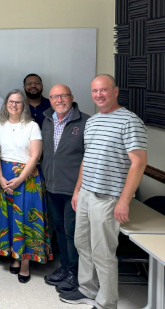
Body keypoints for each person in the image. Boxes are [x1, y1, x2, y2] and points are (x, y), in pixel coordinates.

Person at [60, 75, 147, 309]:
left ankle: (107, 302)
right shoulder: (93, 121)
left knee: (103, 252)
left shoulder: (130, 121)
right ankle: (88, 289)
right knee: (82, 244)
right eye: (95, 91)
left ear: (115, 91)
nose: (99, 95)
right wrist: (78, 190)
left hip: (108, 198)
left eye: (104, 90)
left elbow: (139, 163)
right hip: (87, 194)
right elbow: (86, 160)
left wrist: (124, 200)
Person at [0, 89, 52, 284]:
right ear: (6, 104)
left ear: (23, 105)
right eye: (11, 101)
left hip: (27, 178)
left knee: (25, 219)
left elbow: (35, 156)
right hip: (4, 177)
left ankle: (25, 263)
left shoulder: (32, 126)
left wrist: (19, 179)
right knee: (9, 219)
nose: (14, 105)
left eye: (18, 102)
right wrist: (0, 177)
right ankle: (14, 257)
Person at [41, 84, 89, 293]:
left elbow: (88, 158)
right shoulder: (47, 120)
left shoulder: (86, 122)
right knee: (59, 229)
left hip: (73, 189)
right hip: (52, 187)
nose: (59, 100)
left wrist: (78, 189)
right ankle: (65, 267)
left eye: (63, 96)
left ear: (71, 97)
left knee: (73, 233)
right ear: (49, 99)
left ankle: (76, 274)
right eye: (54, 97)